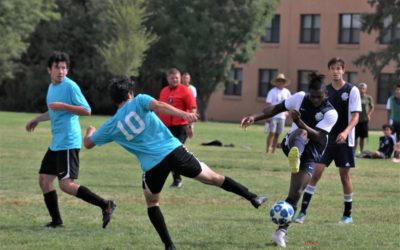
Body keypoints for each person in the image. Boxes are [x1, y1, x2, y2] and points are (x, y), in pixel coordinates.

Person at [83, 78, 267, 250]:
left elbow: (88, 144)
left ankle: (169, 246)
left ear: (115, 100)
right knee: (213, 178)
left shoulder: (112, 124)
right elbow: (160, 106)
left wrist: (90, 131)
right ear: (130, 93)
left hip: (152, 166)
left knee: (152, 202)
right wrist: (184, 115)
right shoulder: (139, 100)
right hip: (173, 151)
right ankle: (252, 197)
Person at [241, 72, 338, 248]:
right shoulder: (300, 97)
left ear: (326, 95)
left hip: (312, 152)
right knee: (302, 132)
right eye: (313, 96)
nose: (315, 100)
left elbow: (318, 136)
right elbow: (275, 109)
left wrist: (300, 122)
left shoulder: (331, 112)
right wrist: (254, 117)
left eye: (319, 97)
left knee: (297, 192)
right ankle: (296, 154)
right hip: (292, 142)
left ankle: (280, 232)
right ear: (308, 93)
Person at [25, 51, 115, 228]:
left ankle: (106, 205)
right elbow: (53, 111)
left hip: (68, 141)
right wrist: (37, 119)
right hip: (57, 142)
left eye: (64, 68)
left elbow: (87, 110)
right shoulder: (52, 88)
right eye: (57, 68)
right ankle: (57, 221)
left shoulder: (70, 86)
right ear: (49, 70)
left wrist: (63, 106)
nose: (61, 71)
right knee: (44, 180)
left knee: (66, 184)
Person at [295, 57, 361, 225]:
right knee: (315, 173)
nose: (336, 71)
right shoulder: (325, 91)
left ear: (343, 70)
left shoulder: (352, 90)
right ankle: (302, 213)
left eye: (339, 68)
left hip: (344, 140)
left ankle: (347, 214)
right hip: (324, 139)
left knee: (344, 176)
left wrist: (346, 132)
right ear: (329, 70)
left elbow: (356, 116)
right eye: (332, 68)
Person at [158, 68, 197, 188]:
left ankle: (179, 179)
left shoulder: (185, 91)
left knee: (173, 153)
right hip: (166, 128)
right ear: (167, 79)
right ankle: (176, 179)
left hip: (181, 127)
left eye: (177, 78)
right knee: (167, 154)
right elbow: (159, 108)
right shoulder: (164, 91)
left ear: (180, 78)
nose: (175, 80)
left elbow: (193, 108)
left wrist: (191, 126)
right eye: (172, 78)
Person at [264, 73, 291, 154]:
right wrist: (269, 115)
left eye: (282, 81)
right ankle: (267, 149)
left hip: (282, 116)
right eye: (278, 80)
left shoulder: (287, 92)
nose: (280, 82)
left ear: (284, 82)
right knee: (271, 132)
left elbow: (290, 103)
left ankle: (273, 150)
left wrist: (287, 112)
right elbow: (269, 104)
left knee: (277, 134)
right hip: (273, 115)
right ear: (276, 82)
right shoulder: (272, 92)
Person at [354, 82, 374, 155]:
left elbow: (372, 107)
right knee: (355, 137)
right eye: (360, 88)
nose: (362, 90)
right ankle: (353, 152)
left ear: (366, 89)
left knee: (362, 137)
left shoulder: (368, 97)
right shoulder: (355, 96)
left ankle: (362, 152)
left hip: (364, 120)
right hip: (356, 120)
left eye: (363, 88)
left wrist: (369, 115)